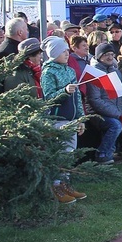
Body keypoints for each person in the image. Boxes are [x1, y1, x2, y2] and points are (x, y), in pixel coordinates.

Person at [39, 36, 87, 204]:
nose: (67, 53)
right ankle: (56, 186)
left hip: (72, 119)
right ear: (54, 53)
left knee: (69, 154)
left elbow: (78, 98)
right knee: (59, 154)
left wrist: (81, 119)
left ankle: (65, 183)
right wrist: (65, 91)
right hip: (57, 119)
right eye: (63, 51)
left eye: (67, 50)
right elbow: (49, 98)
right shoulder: (48, 72)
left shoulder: (70, 70)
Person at [85, 43, 122, 164]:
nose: (109, 57)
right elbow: (95, 100)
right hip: (96, 113)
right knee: (115, 125)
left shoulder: (115, 71)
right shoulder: (94, 73)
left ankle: (110, 154)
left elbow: (121, 96)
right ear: (99, 56)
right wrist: (117, 114)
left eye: (111, 54)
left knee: (118, 123)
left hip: (114, 111)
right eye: (106, 54)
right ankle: (102, 155)